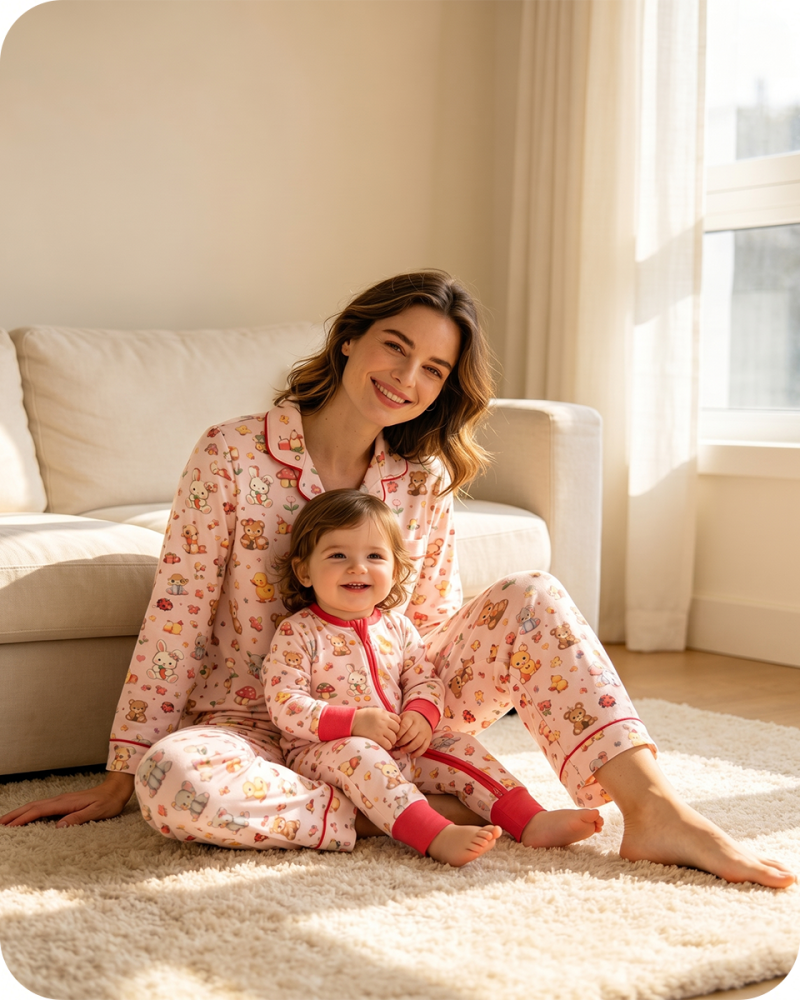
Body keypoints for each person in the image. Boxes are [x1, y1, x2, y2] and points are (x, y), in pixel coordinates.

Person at [1, 270, 795, 888]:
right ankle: (423, 809)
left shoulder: (423, 477)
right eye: (395, 346)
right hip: (254, 722)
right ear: (350, 339)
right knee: (171, 783)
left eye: (433, 368)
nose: (406, 376)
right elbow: (177, 616)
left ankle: (655, 812)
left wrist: (416, 715)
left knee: (535, 594)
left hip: (394, 721)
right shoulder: (232, 453)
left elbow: (429, 626)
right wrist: (124, 768)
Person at [265, 487, 603, 866]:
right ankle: (434, 835)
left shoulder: (398, 628)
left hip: (403, 744)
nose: (358, 567)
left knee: (460, 746)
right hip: (324, 752)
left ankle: (530, 819)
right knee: (363, 755)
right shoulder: (298, 633)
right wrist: (354, 723)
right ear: (304, 571)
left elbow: (423, 680)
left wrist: (421, 716)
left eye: (374, 556)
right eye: (338, 555)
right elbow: (284, 704)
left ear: (395, 571)